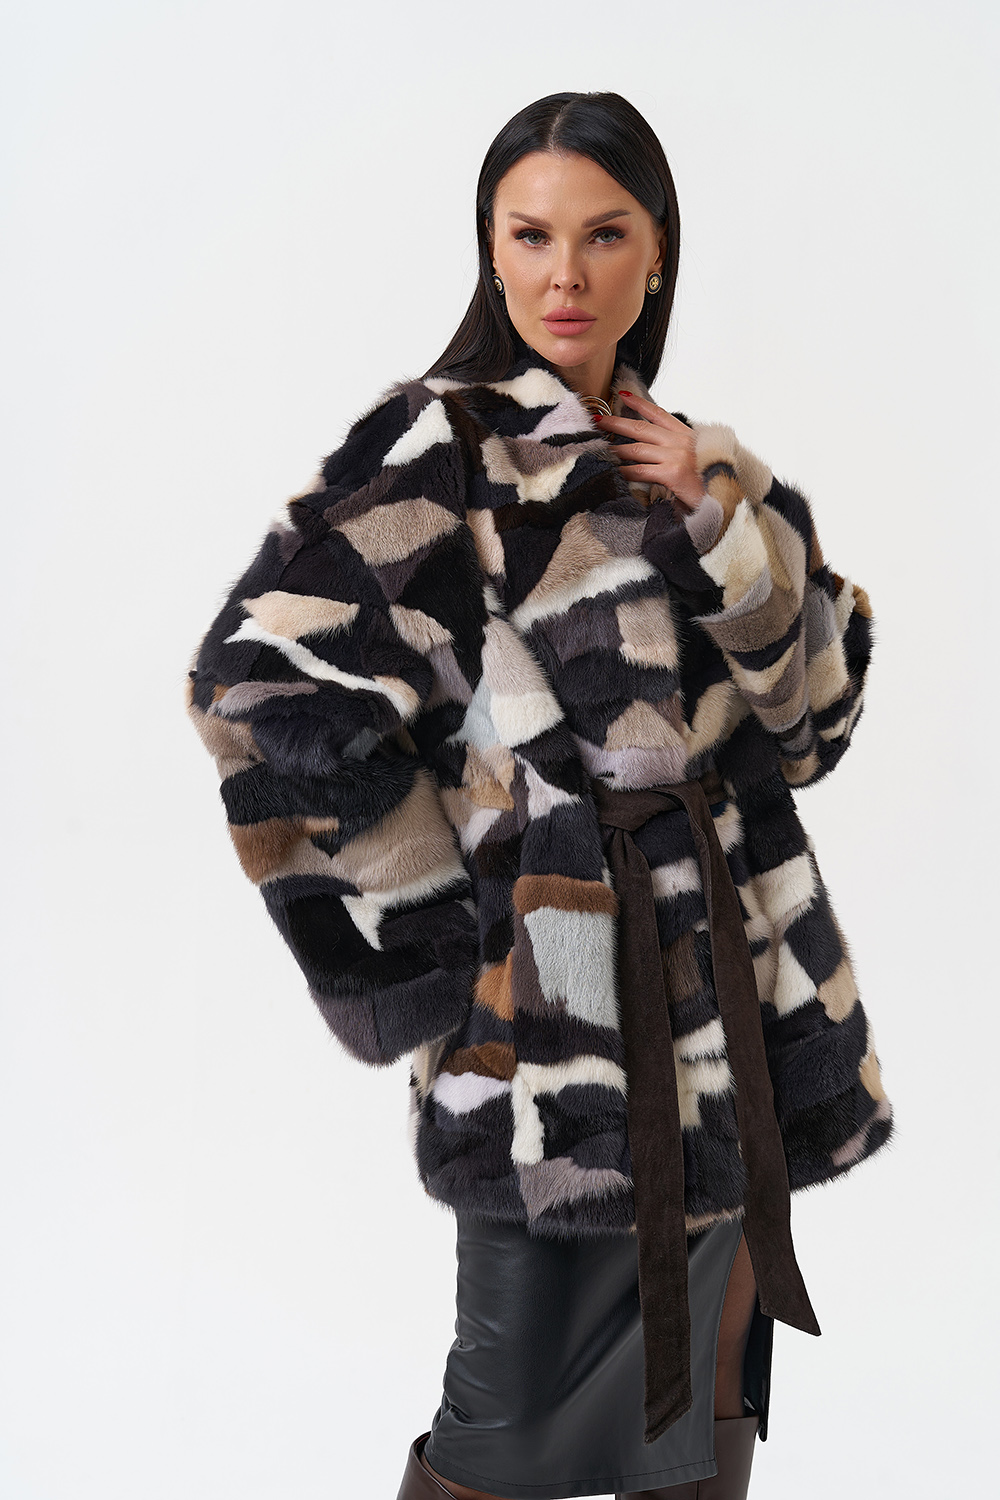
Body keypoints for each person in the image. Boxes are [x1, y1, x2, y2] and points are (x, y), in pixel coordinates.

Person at [186, 91, 894, 1500]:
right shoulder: (434, 447)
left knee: (702, 1406)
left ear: (657, 251)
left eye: (603, 235)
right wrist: (442, 940)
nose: (565, 274)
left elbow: (816, 723)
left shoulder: (702, 464)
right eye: (530, 235)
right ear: (491, 248)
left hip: (729, 1005)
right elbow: (259, 683)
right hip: (551, 1020)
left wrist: (720, 520)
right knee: (500, 1422)